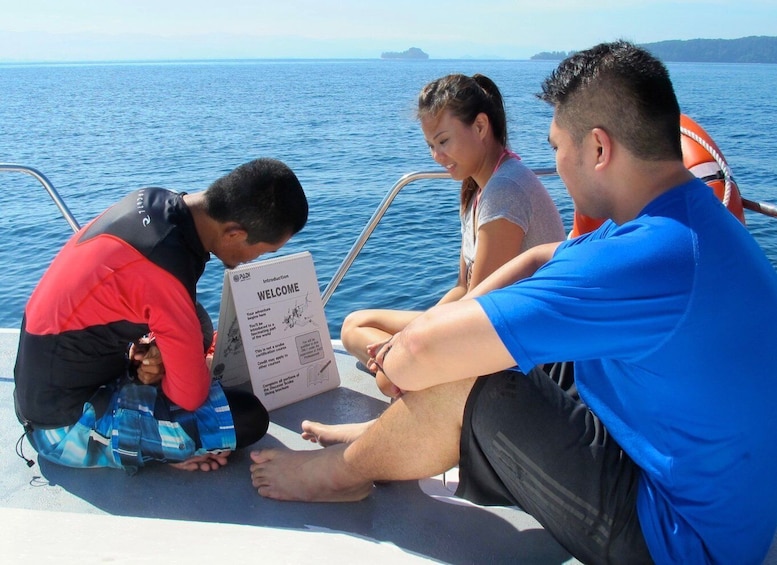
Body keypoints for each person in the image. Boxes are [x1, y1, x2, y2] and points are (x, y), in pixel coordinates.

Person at [249, 42, 777, 564]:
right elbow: (545, 254)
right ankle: (382, 440)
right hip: (706, 493)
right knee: (498, 348)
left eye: (555, 147)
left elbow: (420, 358)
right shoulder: (688, 223)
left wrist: (405, 355)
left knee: (476, 374)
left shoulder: (641, 256)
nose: (556, 163)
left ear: (597, 148)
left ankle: (339, 475)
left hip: (679, 540)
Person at [14, 157, 308, 474]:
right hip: (61, 426)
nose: (254, 260)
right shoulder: (165, 272)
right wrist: (181, 373)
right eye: (262, 251)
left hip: (59, 376)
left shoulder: (160, 203)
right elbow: (190, 398)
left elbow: (119, 301)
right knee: (248, 417)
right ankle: (155, 448)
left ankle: (147, 404)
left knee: (198, 324)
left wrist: (141, 355)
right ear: (234, 233)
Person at [339, 73, 565, 400]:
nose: (436, 156)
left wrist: (410, 341)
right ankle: (392, 367)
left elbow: (478, 308)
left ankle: (394, 372)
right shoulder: (477, 190)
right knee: (353, 325)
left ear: (480, 127)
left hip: (516, 348)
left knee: (389, 378)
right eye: (430, 145)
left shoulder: (506, 190)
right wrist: (414, 335)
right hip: (484, 327)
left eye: (443, 141)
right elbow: (462, 287)